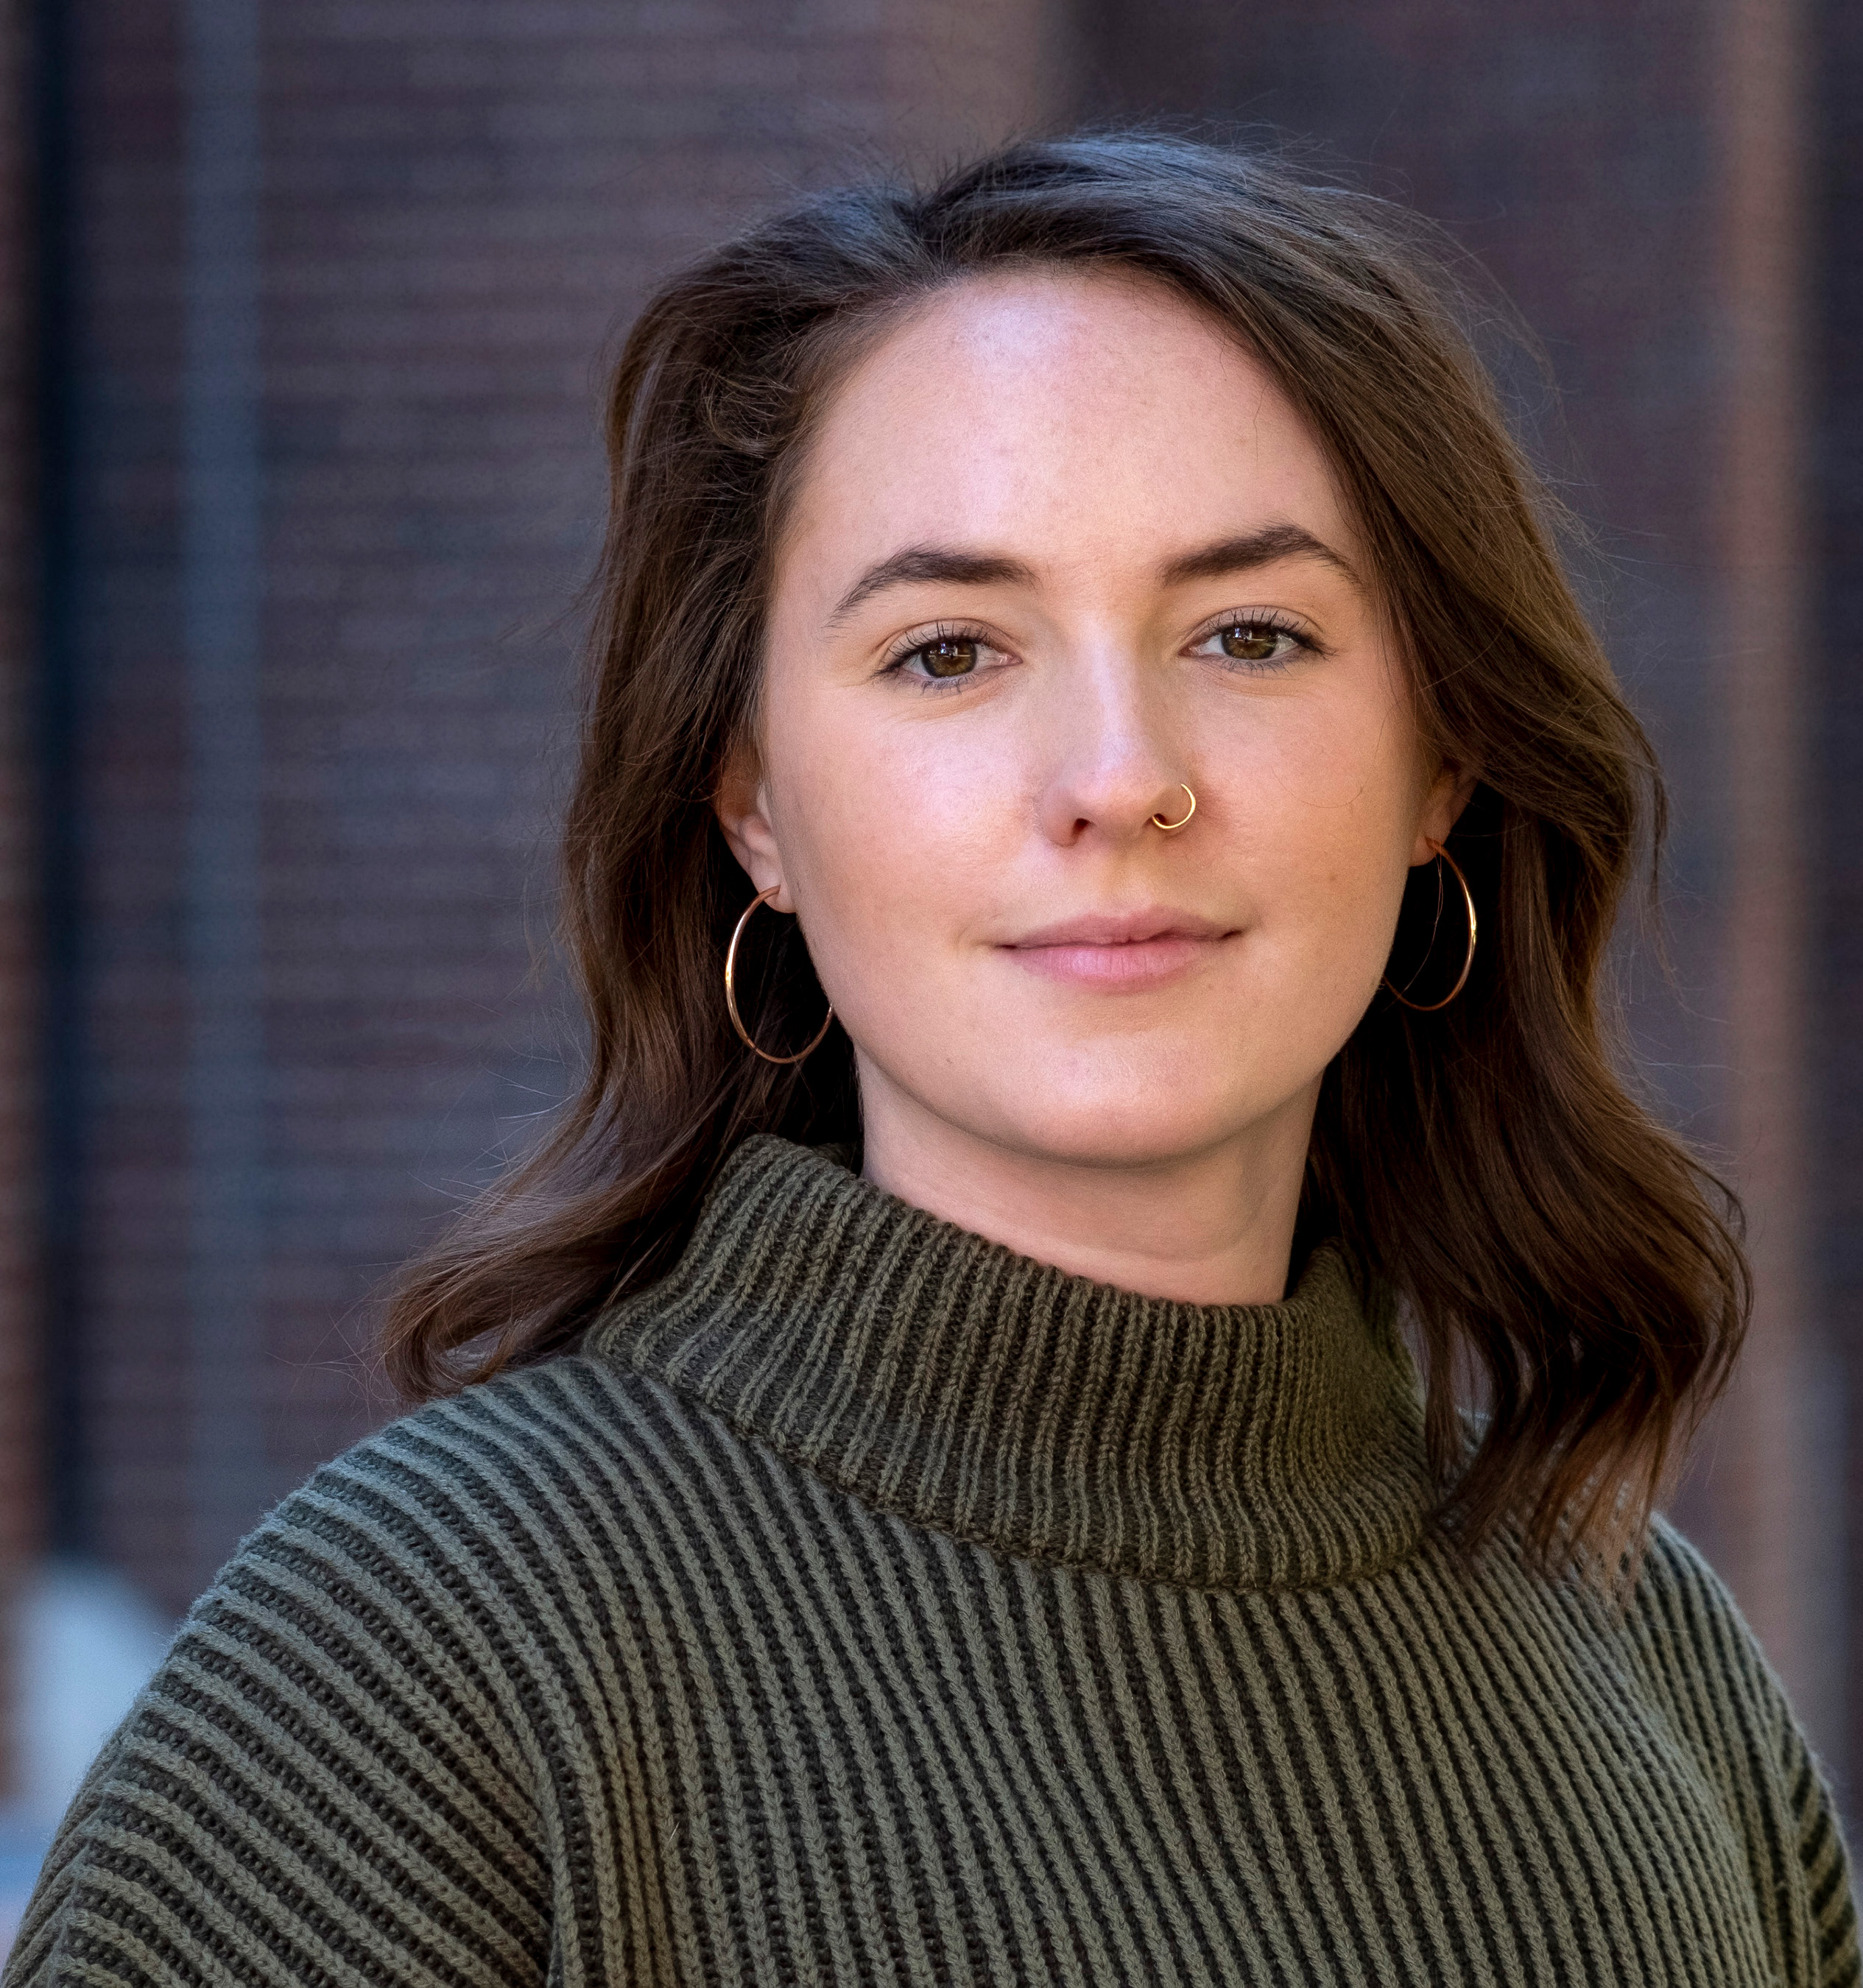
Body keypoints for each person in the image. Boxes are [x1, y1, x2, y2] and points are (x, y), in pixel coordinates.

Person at [7, 132, 1856, 1988]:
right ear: (752, 808)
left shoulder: (1637, 1651)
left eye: (1249, 632)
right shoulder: (423, 1666)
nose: (1120, 775)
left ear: (1438, 766)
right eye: (950, 651)